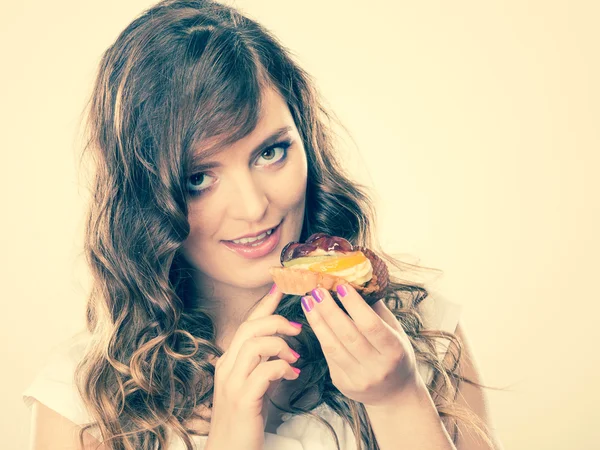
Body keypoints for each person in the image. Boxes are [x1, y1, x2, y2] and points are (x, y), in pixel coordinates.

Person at [23, 1, 504, 449]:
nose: (253, 208)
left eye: (270, 152)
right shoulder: (85, 401)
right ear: (143, 198)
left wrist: (399, 400)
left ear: (305, 140)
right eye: (199, 178)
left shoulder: (417, 332)